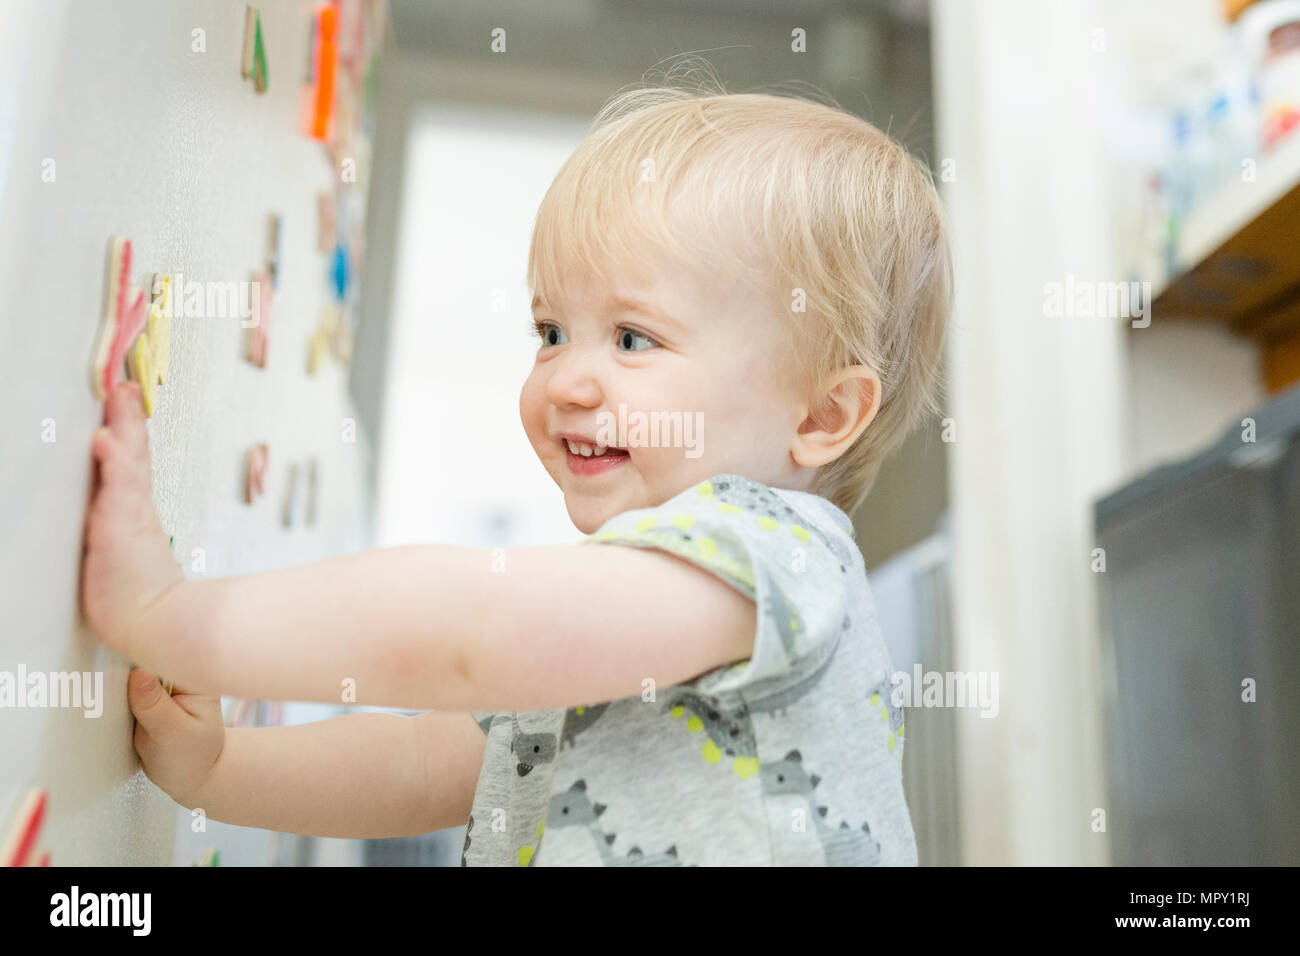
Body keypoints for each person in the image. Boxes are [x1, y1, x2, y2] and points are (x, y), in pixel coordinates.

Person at [82, 82, 951, 866]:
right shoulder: (624, 613)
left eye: (633, 339)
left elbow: (464, 638)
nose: (564, 380)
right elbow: (423, 765)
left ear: (822, 417)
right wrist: (223, 770)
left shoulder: (777, 554)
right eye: (550, 331)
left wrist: (174, 618)